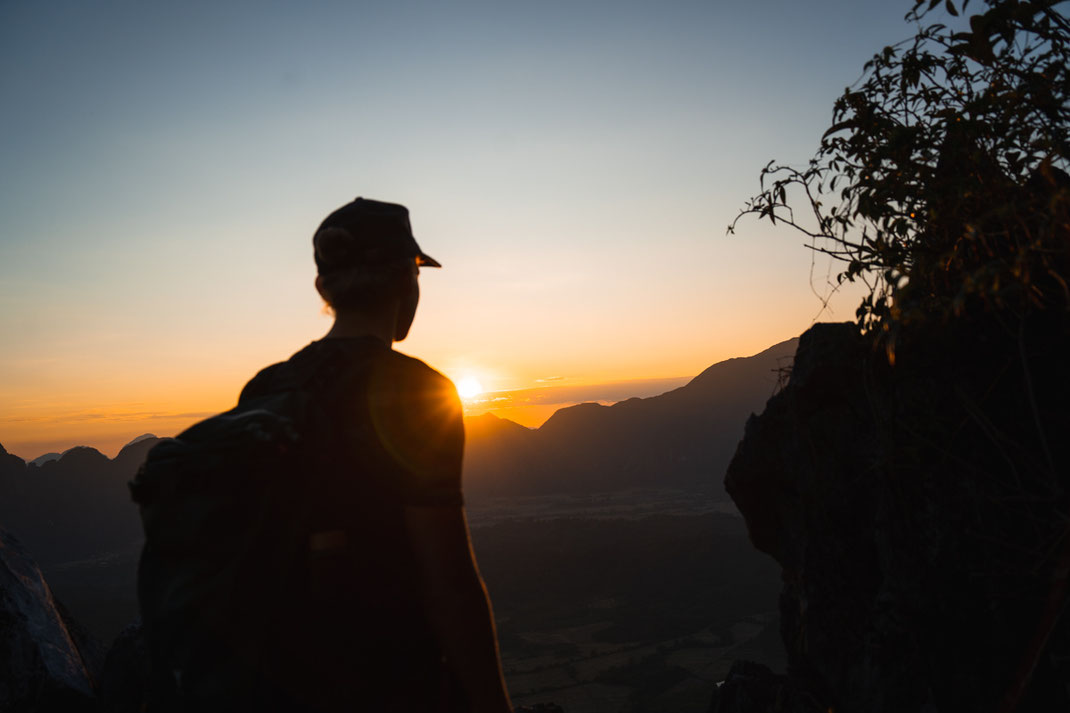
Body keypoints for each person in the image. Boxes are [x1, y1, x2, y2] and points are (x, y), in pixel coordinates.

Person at [238, 197, 513, 713]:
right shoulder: (418, 394)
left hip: (279, 682)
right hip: (390, 679)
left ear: (323, 289)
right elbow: (449, 580)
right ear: (407, 282)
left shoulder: (264, 389)